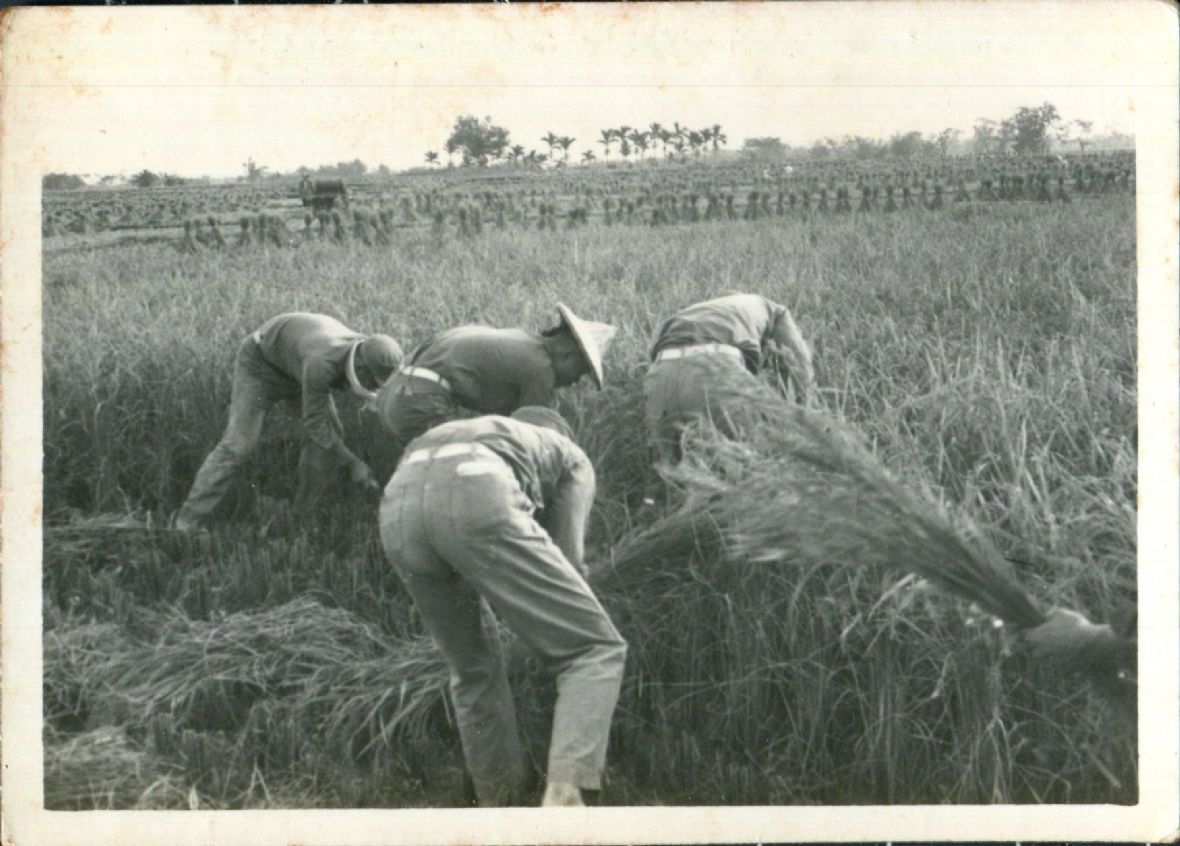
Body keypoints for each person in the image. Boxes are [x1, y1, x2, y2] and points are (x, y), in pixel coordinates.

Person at [379, 406, 627, 808]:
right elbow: (569, 560)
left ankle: (498, 804)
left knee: (472, 669)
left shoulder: (482, 432)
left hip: (398, 508)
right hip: (476, 492)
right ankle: (567, 792)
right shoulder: (568, 454)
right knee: (593, 648)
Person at [175, 312, 403, 531]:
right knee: (238, 445)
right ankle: (187, 522)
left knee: (329, 439)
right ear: (361, 367)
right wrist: (353, 462)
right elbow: (316, 424)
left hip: (297, 365)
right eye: (374, 382)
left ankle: (302, 516)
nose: (375, 388)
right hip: (261, 365)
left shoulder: (370, 353)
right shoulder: (322, 362)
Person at [376, 304, 616, 456]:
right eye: (580, 372)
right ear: (568, 355)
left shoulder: (521, 341)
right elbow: (534, 436)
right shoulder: (540, 368)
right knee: (476, 465)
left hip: (391, 396)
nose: (575, 382)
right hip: (419, 405)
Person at [644, 292, 813, 466]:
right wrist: (800, 420)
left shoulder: (694, 311)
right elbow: (800, 363)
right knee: (755, 462)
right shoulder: (775, 311)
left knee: (666, 472)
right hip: (713, 368)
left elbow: (654, 354)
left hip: (660, 374)